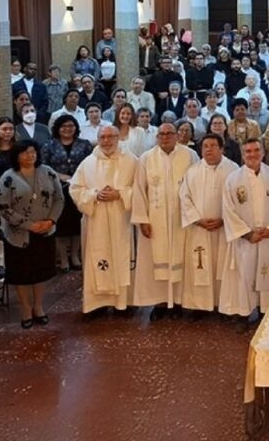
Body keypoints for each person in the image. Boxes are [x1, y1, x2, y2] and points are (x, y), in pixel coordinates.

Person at [131, 123, 199, 319]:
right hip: (155, 220)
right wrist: (142, 220)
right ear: (157, 137)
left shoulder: (189, 156)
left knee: (182, 260)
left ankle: (178, 302)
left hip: (183, 219)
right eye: (161, 134)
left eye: (170, 133)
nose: (165, 137)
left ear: (177, 136)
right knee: (156, 261)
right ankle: (159, 304)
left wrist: (196, 215)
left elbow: (197, 184)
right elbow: (139, 190)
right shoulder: (146, 158)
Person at [0, 140, 65, 328]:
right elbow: (4, 207)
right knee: (22, 273)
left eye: (33, 151)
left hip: (45, 231)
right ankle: (26, 308)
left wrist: (50, 221)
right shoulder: (8, 177)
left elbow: (59, 199)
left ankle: (39, 306)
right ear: (17, 156)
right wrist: (29, 225)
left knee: (41, 271)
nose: (30, 155)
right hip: (19, 235)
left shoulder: (48, 172)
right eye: (25, 153)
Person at [69, 126, 136, 316]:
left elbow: (140, 188)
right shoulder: (88, 163)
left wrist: (120, 194)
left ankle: (123, 304)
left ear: (118, 138)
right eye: (102, 137)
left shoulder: (131, 160)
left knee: (122, 257)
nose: (106, 141)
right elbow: (75, 189)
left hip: (121, 219)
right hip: (95, 220)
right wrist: (94, 195)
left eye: (110, 137)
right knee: (96, 257)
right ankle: (96, 304)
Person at [219, 139, 269, 322]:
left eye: (256, 150)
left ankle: (266, 312)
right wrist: (247, 233)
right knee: (244, 276)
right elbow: (228, 210)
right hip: (245, 239)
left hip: (268, 237)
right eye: (248, 151)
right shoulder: (233, 179)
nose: (252, 154)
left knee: (268, 274)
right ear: (242, 154)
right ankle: (243, 315)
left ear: (263, 152)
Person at [180, 133, 240, 313]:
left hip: (225, 229)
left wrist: (224, 219)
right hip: (200, 229)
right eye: (205, 146)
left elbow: (240, 199)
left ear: (222, 149)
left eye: (213, 146)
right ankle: (199, 307)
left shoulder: (233, 170)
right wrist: (197, 220)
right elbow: (184, 197)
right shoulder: (192, 171)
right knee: (200, 267)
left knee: (224, 268)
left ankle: (225, 306)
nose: (208, 150)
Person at [42, 115, 92, 272]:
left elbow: (91, 164)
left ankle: (75, 257)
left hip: (80, 189)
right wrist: (60, 176)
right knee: (61, 225)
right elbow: (43, 166)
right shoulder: (49, 145)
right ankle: (63, 259)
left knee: (77, 224)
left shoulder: (84, 144)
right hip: (58, 189)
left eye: (71, 126)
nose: (67, 129)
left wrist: (77, 177)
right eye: (63, 126)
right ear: (57, 128)